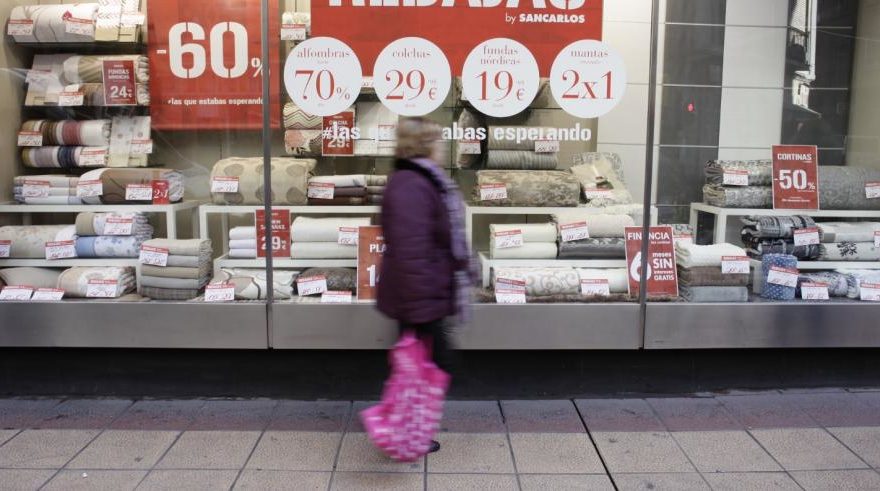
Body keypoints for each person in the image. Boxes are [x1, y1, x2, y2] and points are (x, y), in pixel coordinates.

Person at [376, 117, 475, 454]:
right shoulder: (412, 185)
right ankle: (403, 431)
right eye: (437, 141)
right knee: (424, 367)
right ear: (424, 144)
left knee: (418, 367)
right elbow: (411, 251)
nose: (442, 147)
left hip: (423, 293)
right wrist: (421, 307)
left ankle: (408, 429)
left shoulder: (417, 180)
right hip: (420, 297)